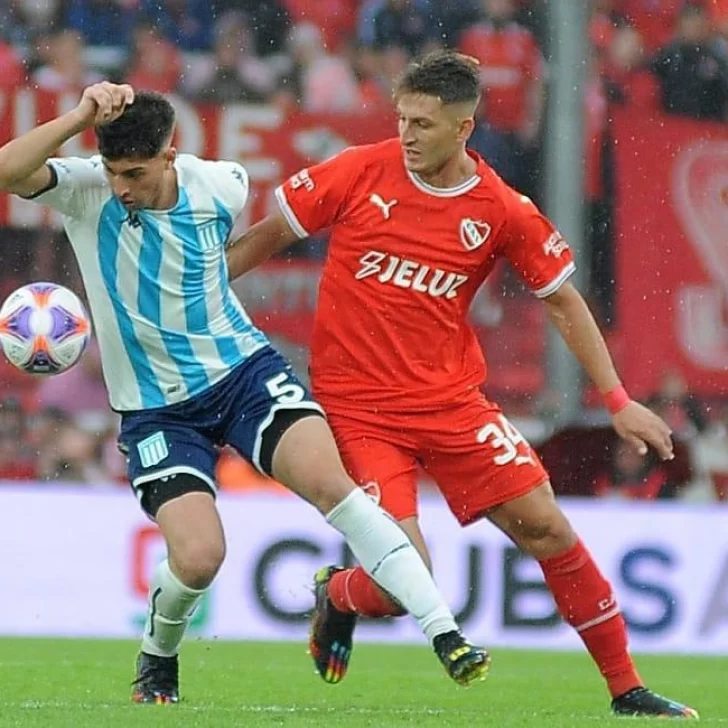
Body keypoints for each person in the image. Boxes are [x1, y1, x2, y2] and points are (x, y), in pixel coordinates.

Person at [226, 52, 698, 719]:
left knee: (548, 530)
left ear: (464, 127)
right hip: (359, 412)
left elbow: (564, 300)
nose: (408, 135)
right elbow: (267, 235)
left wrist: (617, 400)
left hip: (453, 404)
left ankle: (627, 690)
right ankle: (342, 598)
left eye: (422, 123)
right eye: (401, 119)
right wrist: (191, 295)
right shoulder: (359, 170)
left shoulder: (501, 209)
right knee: (401, 584)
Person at [0, 83, 490, 704]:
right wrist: (78, 117)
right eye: (113, 171)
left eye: (135, 172)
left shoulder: (221, 185)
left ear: (169, 156)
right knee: (200, 557)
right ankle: (158, 656)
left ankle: (445, 633)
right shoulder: (86, 189)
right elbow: (7, 170)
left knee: (332, 486)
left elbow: (213, 257)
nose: (122, 186)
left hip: (243, 375)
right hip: (156, 410)